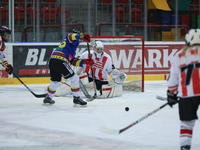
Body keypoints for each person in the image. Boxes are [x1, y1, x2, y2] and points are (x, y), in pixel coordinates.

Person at [167, 29, 200, 150]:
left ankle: (185, 146)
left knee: (187, 123)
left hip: (187, 95)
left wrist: (171, 93)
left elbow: (173, 79)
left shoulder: (180, 54)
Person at [44, 30, 94, 107]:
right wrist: (81, 36)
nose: (80, 40)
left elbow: (73, 61)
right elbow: (70, 36)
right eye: (79, 38)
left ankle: (48, 98)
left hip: (53, 61)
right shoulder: (69, 39)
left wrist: (86, 61)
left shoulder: (70, 47)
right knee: (75, 78)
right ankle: (76, 98)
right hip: (60, 61)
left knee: (55, 81)